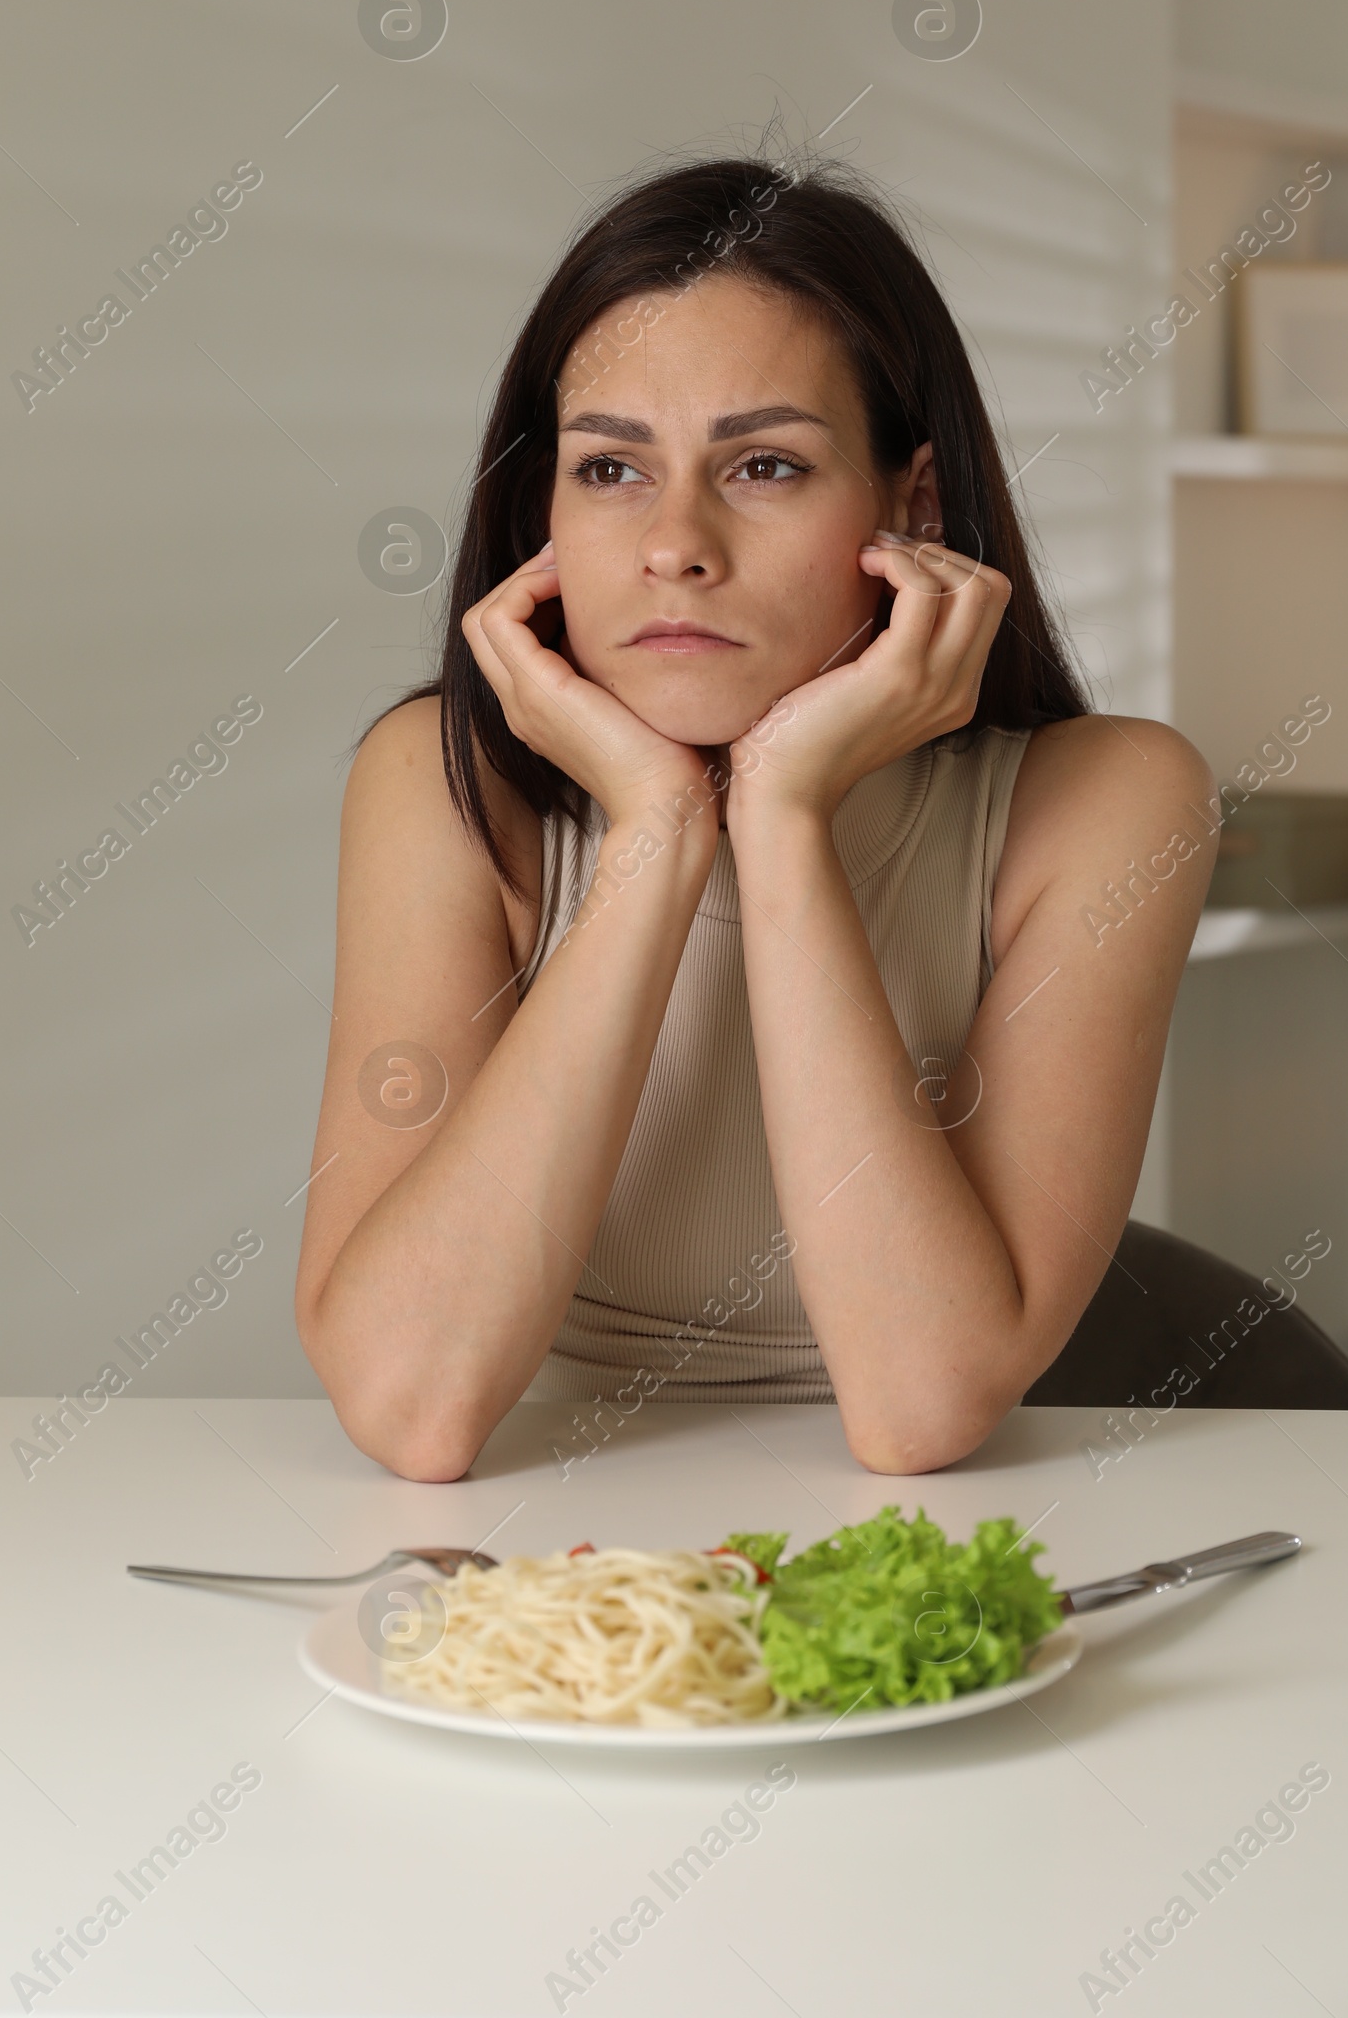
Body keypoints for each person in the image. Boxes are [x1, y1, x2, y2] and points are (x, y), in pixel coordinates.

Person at [295, 152, 1215, 1481]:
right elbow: (411, 1407)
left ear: (913, 506)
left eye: (766, 465)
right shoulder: (437, 781)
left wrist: (781, 819)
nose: (676, 542)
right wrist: (659, 836)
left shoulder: (1108, 802)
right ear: (538, 511)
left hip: (920, 1563)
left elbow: (918, 1406)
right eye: (610, 469)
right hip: (551, 1568)